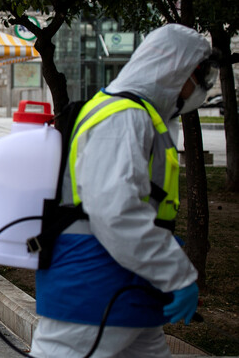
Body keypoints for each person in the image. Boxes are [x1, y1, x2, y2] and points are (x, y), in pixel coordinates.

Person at [31, 24, 218, 358]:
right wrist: (176, 274)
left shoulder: (137, 115)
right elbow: (115, 212)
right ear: (177, 69)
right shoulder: (123, 118)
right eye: (199, 76)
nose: (201, 87)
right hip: (93, 290)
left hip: (123, 287)